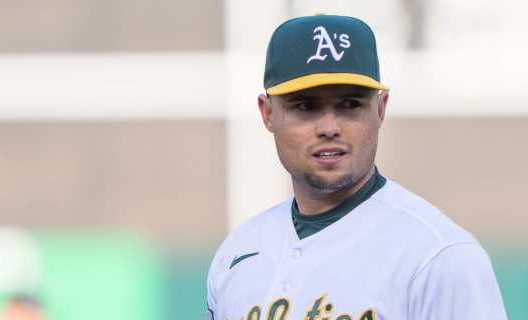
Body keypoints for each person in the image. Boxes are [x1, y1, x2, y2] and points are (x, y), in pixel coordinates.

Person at [206, 14, 507, 320]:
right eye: (306, 106)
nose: (329, 127)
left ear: (380, 109)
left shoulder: (438, 257)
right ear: (267, 113)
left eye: (350, 104)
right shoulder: (237, 252)